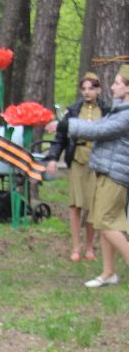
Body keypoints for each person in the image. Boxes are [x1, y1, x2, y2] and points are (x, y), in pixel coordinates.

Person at [49, 64, 129, 287]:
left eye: (117, 83)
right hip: (105, 171)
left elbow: (97, 131)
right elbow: (96, 125)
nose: (112, 86)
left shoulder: (126, 115)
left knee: (104, 221)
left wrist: (63, 124)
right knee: (104, 221)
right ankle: (108, 273)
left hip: (116, 174)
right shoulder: (119, 110)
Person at [46, 72, 109, 261]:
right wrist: (52, 158)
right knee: (75, 205)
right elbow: (60, 138)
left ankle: (90, 246)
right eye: (84, 89)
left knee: (93, 205)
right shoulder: (73, 110)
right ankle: (75, 247)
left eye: (91, 88)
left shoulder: (107, 111)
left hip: (98, 161)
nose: (87, 92)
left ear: (98, 89)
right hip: (77, 160)